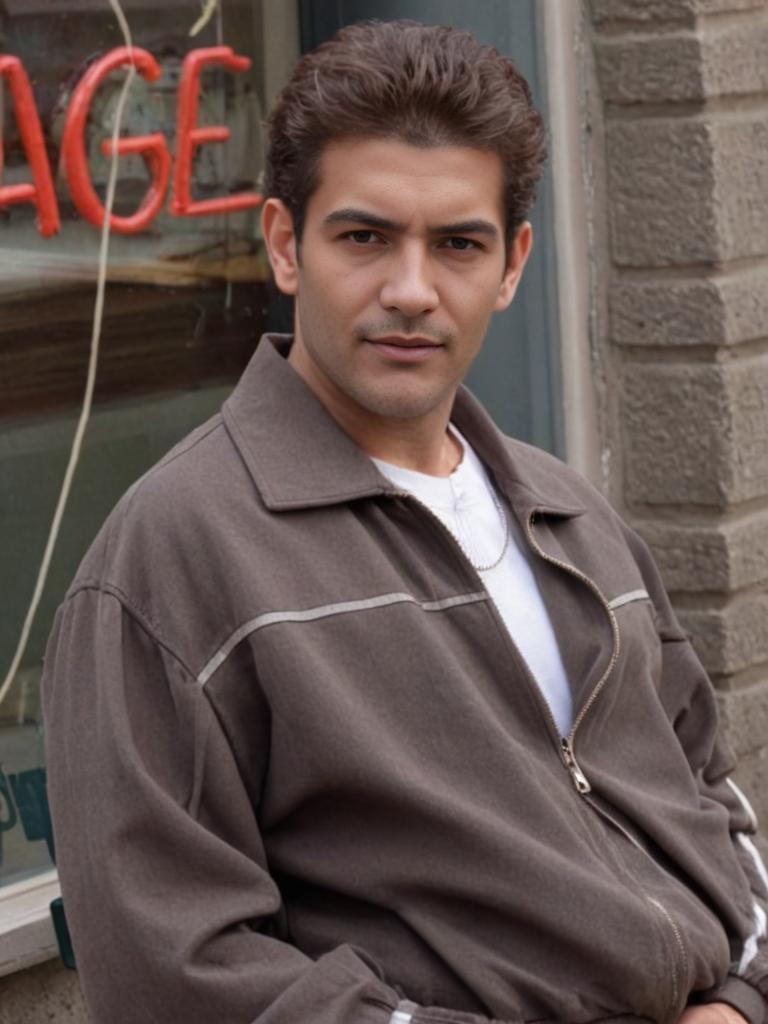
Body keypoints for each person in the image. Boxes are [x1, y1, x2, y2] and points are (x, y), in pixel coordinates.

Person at [42, 19, 768, 1024]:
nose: (411, 290)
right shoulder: (175, 555)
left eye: (458, 243)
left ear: (512, 265)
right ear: (286, 246)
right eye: (365, 236)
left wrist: (737, 1001)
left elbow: (716, 807)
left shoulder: (572, 514)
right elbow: (173, 971)